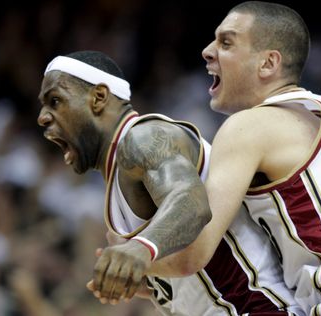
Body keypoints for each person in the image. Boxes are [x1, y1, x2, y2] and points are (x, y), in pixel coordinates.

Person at [38, 50, 304, 315]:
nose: (42, 117)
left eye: (55, 101)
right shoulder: (118, 187)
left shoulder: (143, 138)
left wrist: (141, 249)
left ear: (98, 98)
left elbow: (192, 203)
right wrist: (145, 280)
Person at [177, 1, 321, 315]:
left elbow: (193, 254)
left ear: (268, 64)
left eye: (226, 42)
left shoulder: (249, 126)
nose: (208, 51)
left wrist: (136, 255)